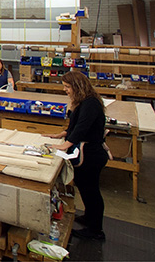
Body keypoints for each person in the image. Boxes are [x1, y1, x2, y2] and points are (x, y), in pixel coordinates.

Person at [45, 71, 108, 241]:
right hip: (85, 152)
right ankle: (89, 218)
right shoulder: (82, 103)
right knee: (84, 186)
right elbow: (76, 125)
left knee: (91, 190)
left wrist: (64, 146)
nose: (65, 90)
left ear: (77, 86)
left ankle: (95, 230)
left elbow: (83, 128)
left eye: (67, 87)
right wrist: (62, 134)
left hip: (92, 154)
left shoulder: (91, 104)